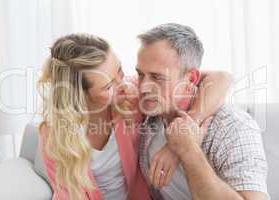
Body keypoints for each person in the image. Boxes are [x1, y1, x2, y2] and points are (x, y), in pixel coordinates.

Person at [38, 33, 232, 200]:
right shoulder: (55, 135)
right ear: (79, 96)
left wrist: (179, 139)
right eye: (108, 86)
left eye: (120, 71)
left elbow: (221, 78)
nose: (122, 84)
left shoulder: (130, 97)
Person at [137, 23, 268, 200]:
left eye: (157, 77)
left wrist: (188, 150)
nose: (143, 87)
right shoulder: (147, 113)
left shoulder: (233, 127)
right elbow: (221, 76)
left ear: (191, 78)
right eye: (140, 74)